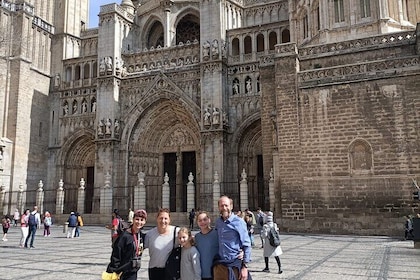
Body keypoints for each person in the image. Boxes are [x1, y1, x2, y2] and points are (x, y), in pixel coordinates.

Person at [214, 196, 252, 280]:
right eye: (221, 206)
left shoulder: (239, 222)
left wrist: (245, 267)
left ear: (231, 206)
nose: (224, 208)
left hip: (235, 263)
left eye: (226, 205)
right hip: (222, 264)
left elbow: (247, 244)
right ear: (218, 207)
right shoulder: (218, 222)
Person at [106, 209, 147, 280]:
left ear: (145, 222)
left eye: (142, 220)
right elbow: (116, 254)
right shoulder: (124, 236)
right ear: (133, 219)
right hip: (122, 272)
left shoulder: (141, 236)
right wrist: (113, 271)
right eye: (137, 219)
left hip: (133, 271)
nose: (139, 222)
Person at [144, 208, 180, 280]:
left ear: (169, 220)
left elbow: (188, 243)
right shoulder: (149, 234)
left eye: (165, 218)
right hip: (154, 271)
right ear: (157, 219)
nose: (163, 221)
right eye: (161, 218)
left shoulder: (176, 232)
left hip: (170, 270)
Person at [195, 211, 219, 280]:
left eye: (205, 220)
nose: (202, 222)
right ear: (197, 222)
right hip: (201, 274)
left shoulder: (217, 234)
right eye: (200, 220)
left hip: (215, 273)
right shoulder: (197, 237)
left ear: (209, 220)